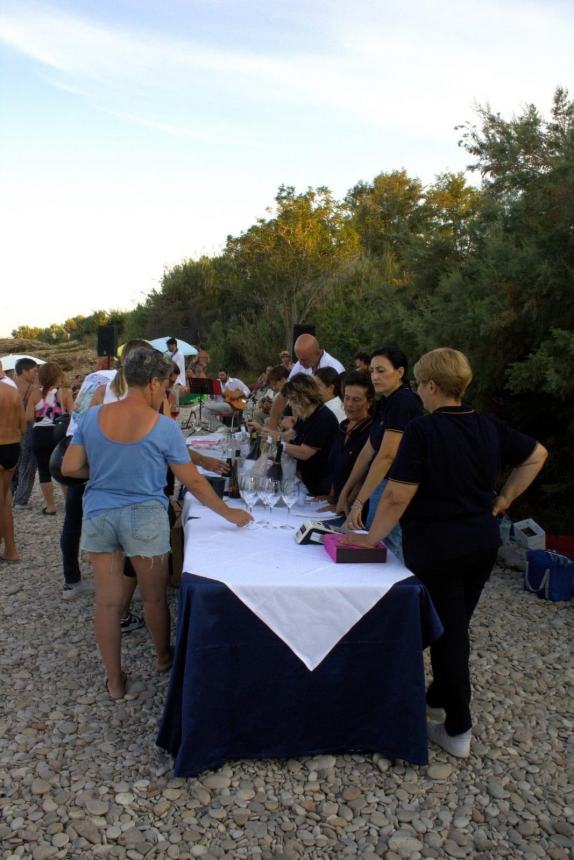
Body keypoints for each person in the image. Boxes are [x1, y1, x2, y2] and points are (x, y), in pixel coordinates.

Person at [342, 348, 548, 758]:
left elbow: (399, 495)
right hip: (482, 543)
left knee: (450, 636)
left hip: (438, 547)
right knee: (453, 626)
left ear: (432, 386)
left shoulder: (424, 430)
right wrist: (504, 497)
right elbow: (537, 455)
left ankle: (458, 728)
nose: (417, 391)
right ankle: (437, 696)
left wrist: (371, 538)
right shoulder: (486, 425)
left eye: (418, 383)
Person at [62, 348, 252, 701]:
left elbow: (70, 468)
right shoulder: (162, 426)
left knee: (106, 602)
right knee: (153, 597)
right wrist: (229, 513)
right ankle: (163, 659)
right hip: (145, 515)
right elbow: (194, 482)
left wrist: (105, 472)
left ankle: (115, 681)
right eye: (165, 385)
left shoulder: (91, 417)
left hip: (100, 513)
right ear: (152, 382)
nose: (166, 391)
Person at [338, 346, 423, 561]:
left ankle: (399, 593)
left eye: (381, 371)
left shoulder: (403, 402)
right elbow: (369, 450)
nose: (374, 376)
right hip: (380, 486)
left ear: (400, 372)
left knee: (389, 548)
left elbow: (387, 455)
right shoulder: (387, 401)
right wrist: (346, 491)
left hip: (393, 486)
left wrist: (359, 502)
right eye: (372, 371)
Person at [269, 374, 338, 497]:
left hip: (321, 486)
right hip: (306, 481)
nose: (290, 404)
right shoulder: (306, 414)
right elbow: (292, 434)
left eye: (292, 399)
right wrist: (271, 434)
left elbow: (305, 453)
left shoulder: (323, 418)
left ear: (303, 397)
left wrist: (280, 443)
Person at [318, 371, 375, 513]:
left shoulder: (372, 431)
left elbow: (364, 477)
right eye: (347, 398)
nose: (349, 404)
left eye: (356, 400)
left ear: (369, 402)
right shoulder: (343, 426)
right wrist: (330, 498)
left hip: (354, 511)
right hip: (336, 504)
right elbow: (336, 467)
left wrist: (344, 505)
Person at [26, 362, 74, 515]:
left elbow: (28, 417)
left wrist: (40, 415)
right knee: (62, 469)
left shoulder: (34, 394)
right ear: (57, 376)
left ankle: (51, 506)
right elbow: (73, 415)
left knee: (44, 470)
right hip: (58, 434)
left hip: (39, 434)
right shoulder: (65, 393)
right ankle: (68, 504)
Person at [268, 335, 344, 430]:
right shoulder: (301, 363)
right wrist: (271, 427)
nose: (300, 363)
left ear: (317, 353)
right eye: (298, 359)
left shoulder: (335, 368)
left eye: (304, 359)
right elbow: (285, 393)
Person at [0, 379, 26, 562]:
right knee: (5, 500)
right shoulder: (12, 391)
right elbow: (23, 427)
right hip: (12, 448)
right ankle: (11, 550)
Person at [12, 358, 39, 509]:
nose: (36, 374)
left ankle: (8, 495)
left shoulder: (7, 386)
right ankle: (21, 500)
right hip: (28, 430)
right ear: (24, 370)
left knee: (11, 465)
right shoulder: (33, 389)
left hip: (10, 431)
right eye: (34, 371)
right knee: (28, 464)